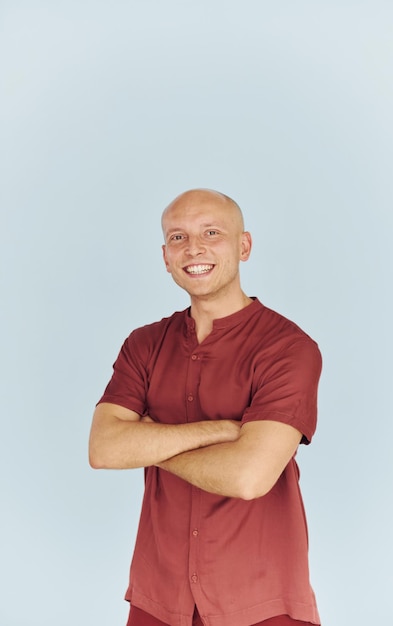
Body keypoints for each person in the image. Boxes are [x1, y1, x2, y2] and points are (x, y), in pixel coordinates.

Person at [89, 189, 322, 626]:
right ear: (164, 256)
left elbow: (248, 476)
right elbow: (104, 449)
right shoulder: (143, 345)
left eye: (211, 233)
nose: (193, 248)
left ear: (244, 245)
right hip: (158, 600)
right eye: (178, 238)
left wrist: (149, 440)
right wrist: (220, 431)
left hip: (262, 602)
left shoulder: (289, 349)